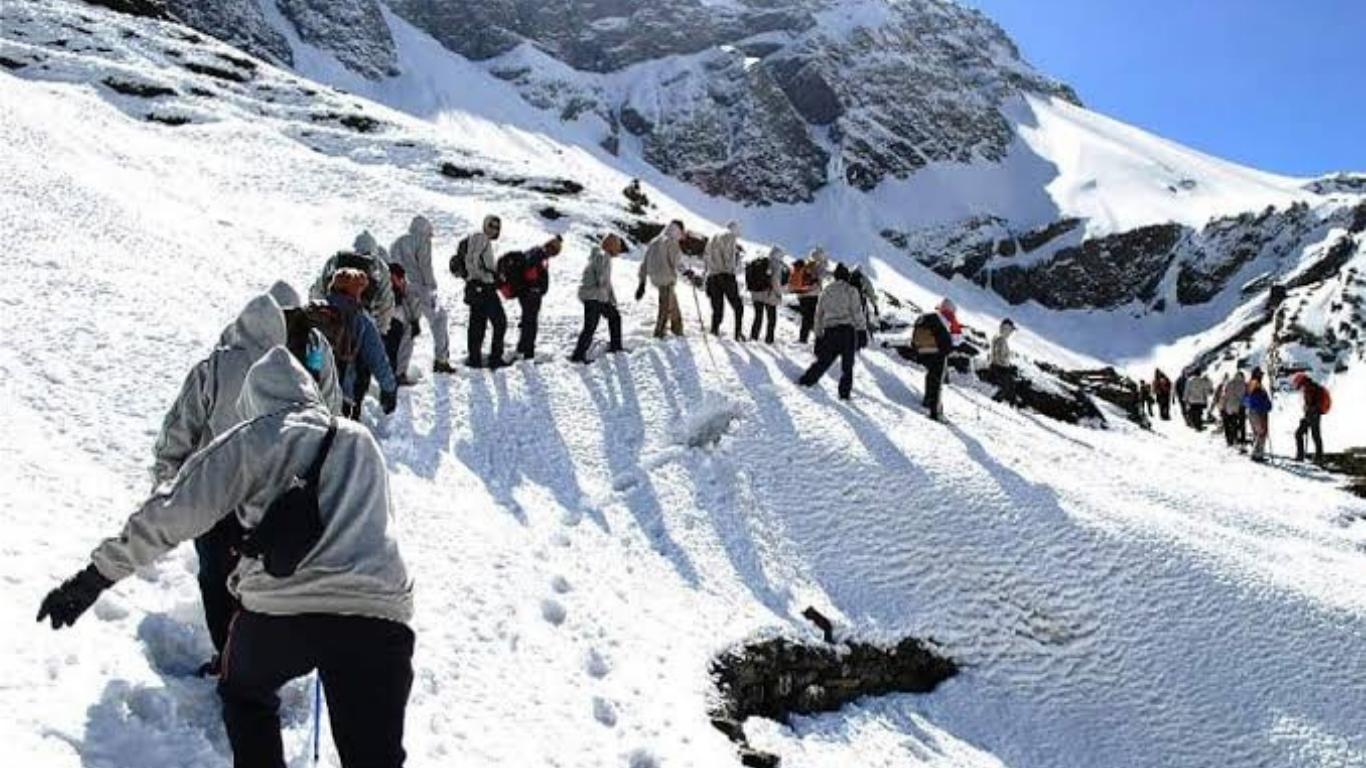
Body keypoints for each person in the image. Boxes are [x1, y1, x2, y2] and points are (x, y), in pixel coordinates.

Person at [38, 348, 415, 768]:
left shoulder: (254, 437)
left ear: (252, 402)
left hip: (278, 617)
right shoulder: (359, 440)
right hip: (380, 619)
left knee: (246, 696)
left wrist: (95, 577)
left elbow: (174, 511)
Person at [150, 292, 342, 672]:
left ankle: (229, 658)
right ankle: (261, 659)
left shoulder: (216, 365)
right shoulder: (299, 371)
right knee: (261, 578)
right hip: (272, 495)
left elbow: (178, 431)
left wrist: (165, 486)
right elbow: (328, 419)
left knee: (215, 576)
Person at [324, 269, 398, 418]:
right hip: (344, 393)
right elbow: (377, 358)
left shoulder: (319, 309)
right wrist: (389, 389)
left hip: (315, 390)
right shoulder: (360, 318)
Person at [390, 216, 454, 374]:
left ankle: (400, 371)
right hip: (420, 288)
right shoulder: (422, 240)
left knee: (408, 328)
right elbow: (425, 265)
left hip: (402, 289)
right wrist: (431, 286)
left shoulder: (397, 242)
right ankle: (441, 360)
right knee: (439, 319)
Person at [797, 264, 867, 400]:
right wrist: (862, 330)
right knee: (847, 366)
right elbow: (857, 312)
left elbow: (819, 315)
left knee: (824, 361)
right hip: (847, 331)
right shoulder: (851, 290)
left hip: (830, 331)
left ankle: (807, 380)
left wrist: (818, 334)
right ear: (846, 276)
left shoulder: (826, 291)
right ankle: (844, 394)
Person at [310, 232, 396, 337]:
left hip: (332, 321)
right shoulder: (379, 267)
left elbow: (318, 291)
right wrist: (381, 331)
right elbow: (386, 303)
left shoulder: (335, 260)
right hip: (363, 325)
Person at [570, 234, 626, 363]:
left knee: (612, 317)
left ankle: (615, 347)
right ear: (611, 246)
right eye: (617, 246)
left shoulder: (601, 255)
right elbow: (602, 279)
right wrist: (606, 297)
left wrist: (611, 298)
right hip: (594, 297)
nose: (619, 249)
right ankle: (578, 356)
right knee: (591, 326)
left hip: (595, 296)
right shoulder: (603, 256)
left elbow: (606, 282)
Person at [463, 215, 509, 369]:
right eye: (492, 225)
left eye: (497, 226)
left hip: (478, 287)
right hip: (483, 288)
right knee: (500, 322)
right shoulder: (481, 238)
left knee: (478, 324)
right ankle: (495, 358)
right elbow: (472, 261)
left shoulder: (481, 239)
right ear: (485, 225)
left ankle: (474, 359)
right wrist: (484, 277)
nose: (495, 229)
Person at [512, 235, 563, 361]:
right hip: (531, 294)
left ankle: (522, 348)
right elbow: (532, 273)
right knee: (531, 323)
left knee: (527, 320)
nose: (553, 254)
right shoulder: (540, 255)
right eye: (554, 251)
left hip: (525, 293)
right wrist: (536, 288)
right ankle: (528, 353)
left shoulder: (535, 251)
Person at [636, 220, 685, 339]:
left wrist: (642, 282)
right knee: (665, 308)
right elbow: (677, 262)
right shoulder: (671, 241)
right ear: (678, 230)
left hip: (655, 278)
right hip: (666, 279)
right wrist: (687, 272)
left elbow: (644, 263)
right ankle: (659, 334)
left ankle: (677, 329)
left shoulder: (654, 241)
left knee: (672, 302)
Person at [912, 298, 959, 421]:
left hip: (922, 351)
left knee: (931, 375)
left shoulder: (928, 317)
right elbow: (948, 344)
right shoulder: (944, 320)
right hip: (936, 352)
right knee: (937, 381)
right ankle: (935, 412)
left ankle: (928, 400)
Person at [704, 221, 745, 340]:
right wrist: (731, 271)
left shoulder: (712, 237)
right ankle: (738, 333)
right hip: (725, 276)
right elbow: (728, 257)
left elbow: (706, 257)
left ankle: (714, 330)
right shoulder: (729, 236)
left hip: (712, 276)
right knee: (738, 306)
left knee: (717, 307)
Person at [385, 263, 423, 385]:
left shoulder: (404, 288)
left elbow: (411, 304)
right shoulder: (386, 286)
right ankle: (396, 374)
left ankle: (397, 373)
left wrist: (415, 321)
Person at [792, 248, 829, 344]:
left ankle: (803, 337)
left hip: (802, 295)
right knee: (813, 317)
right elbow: (824, 275)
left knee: (806, 317)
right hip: (812, 295)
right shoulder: (818, 265)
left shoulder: (807, 264)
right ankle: (811, 338)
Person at [749, 246, 785, 344]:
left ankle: (753, 337)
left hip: (756, 293)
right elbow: (775, 281)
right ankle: (769, 340)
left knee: (758, 317)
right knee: (772, 318)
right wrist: (778, 294)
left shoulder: (763, 262)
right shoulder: (776, 264)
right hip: (769, 295)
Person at [1293, 372, 1328, 462]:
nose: (1298, 387)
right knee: (1314, 435)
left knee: (1304, 434)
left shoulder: (1310, 388)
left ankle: (1308, 456)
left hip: (1313, 415)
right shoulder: (1310, 387)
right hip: (1314, 414)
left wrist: (1307, 413)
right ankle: (1318, 456)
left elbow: (1311, 404)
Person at [989, 318, 1020, 406]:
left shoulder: (999, 338)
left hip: (1000, 367)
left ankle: (1001, 403)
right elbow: (999, 356)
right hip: (1000, 369)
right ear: (1006, 329)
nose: (1011, 333)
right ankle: (995, 404)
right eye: (1010, 330)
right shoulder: (1000, 340)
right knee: (1005, 388)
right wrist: (1007, 364)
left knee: (1009, 387)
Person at [1244, 367, 1273, 462]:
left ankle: (1257, 453)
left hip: (1254, 411)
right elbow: (1257, 399)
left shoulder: (1251, 383)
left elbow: (1247, 399)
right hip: (1259, 412)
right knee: (1261, 433)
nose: (1262, 376)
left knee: (1258, 433)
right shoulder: (1255, 384)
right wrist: (1266, 405)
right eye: (1261, 374)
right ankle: (1257, 454)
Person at [850, 267, 880, 349]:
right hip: (860, 303)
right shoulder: (864, 279)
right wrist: (875, 306)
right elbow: (871, 293)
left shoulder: (848, 277)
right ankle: (861, 341)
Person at [1220, 370, 1248, 447]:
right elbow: (1246, 397)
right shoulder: (1244, 385)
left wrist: (1222, 407)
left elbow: (1224, 396)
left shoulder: (1229, 383)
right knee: (1241, 423)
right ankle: (1241, 438)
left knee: (1230, 422)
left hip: (1229, 406)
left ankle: (1230, 439)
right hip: (1239, 407)